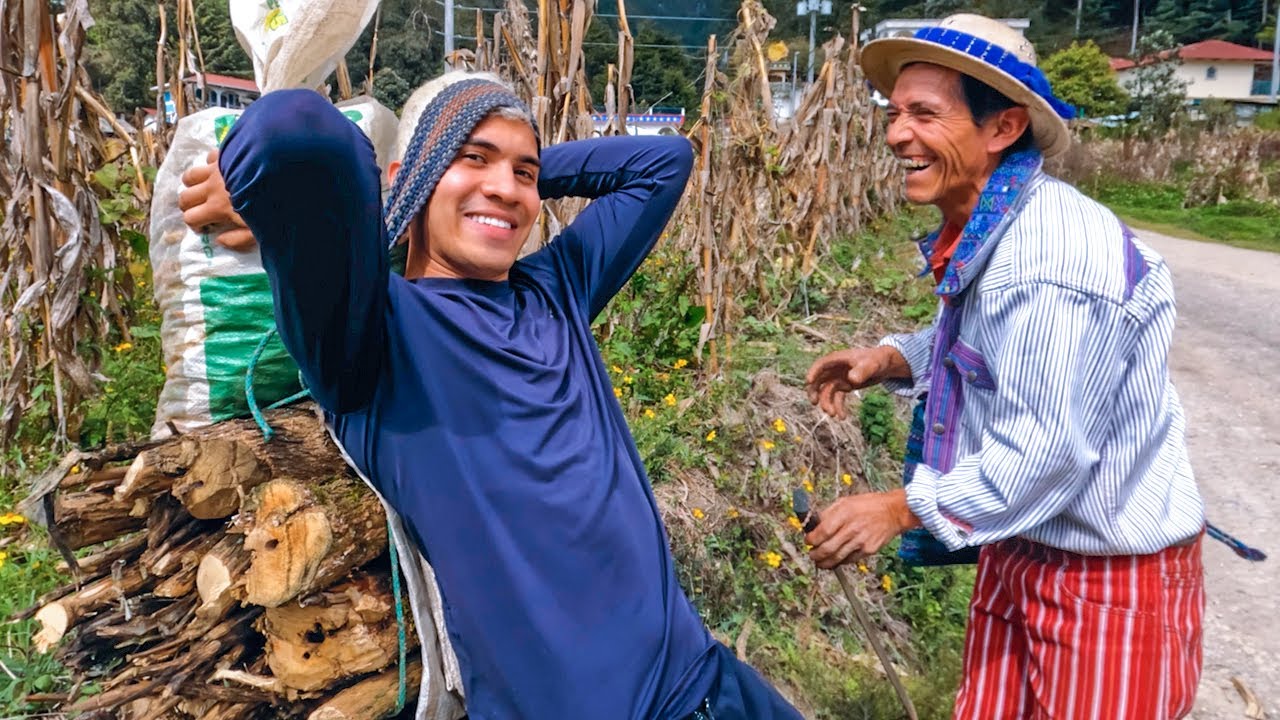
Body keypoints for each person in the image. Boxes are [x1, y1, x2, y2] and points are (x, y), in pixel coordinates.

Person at [176, 71, 803, 720]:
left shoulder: (557, 290)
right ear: (406, 178)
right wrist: (344, 198)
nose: (505, 187)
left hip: (712, 683)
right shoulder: (372, 341)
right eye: (471, 158)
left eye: (524, 173)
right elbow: (295, 133)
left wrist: (507, 178)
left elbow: (662, 161)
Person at [802, 14, 1206, 720]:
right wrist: (889, 357)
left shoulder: (1049, 262)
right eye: (895, 113)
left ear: (1002, 128)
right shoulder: (998, 227)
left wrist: (897, 510)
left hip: (1105, 584)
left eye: (925, 114)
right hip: (1022, 549)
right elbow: (994, 345)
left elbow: (1045, 454)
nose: (897, 134)